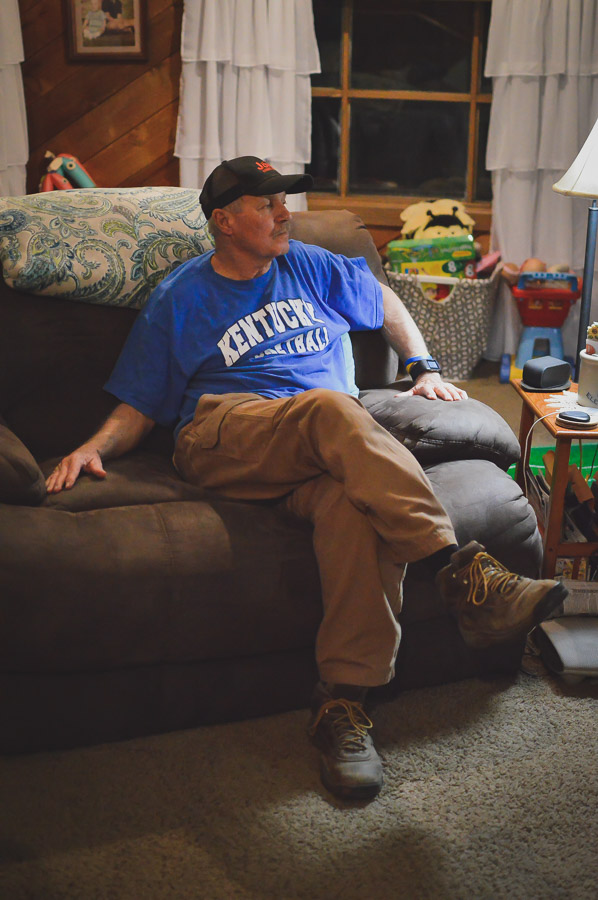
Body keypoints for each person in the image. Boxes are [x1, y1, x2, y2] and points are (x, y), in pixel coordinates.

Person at [46, 156, 567, 802]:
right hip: (227, 432)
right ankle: (462, 573)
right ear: (225, 222)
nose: (283, 213)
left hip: (322, 444)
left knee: (354, 506)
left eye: (283, 201)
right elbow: (140, 405)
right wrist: (91, 447)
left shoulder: (312, 264)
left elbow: (382, 301)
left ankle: (342, 703)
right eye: (266, 204)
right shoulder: (181, 297)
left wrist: (423, 366)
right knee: (330, 410)